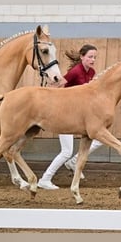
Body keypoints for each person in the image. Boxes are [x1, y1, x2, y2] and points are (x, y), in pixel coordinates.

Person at [37, 44, 103, 190]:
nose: (93, 60)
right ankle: (45, 179)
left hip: (79, 116)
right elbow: (59, 85)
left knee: (99, 140)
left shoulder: (91, 72)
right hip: (64, 114)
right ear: (82, 57)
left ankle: (73, 162)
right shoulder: (75, 71)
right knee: (66, 151)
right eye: (90, 57)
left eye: (95, 57)